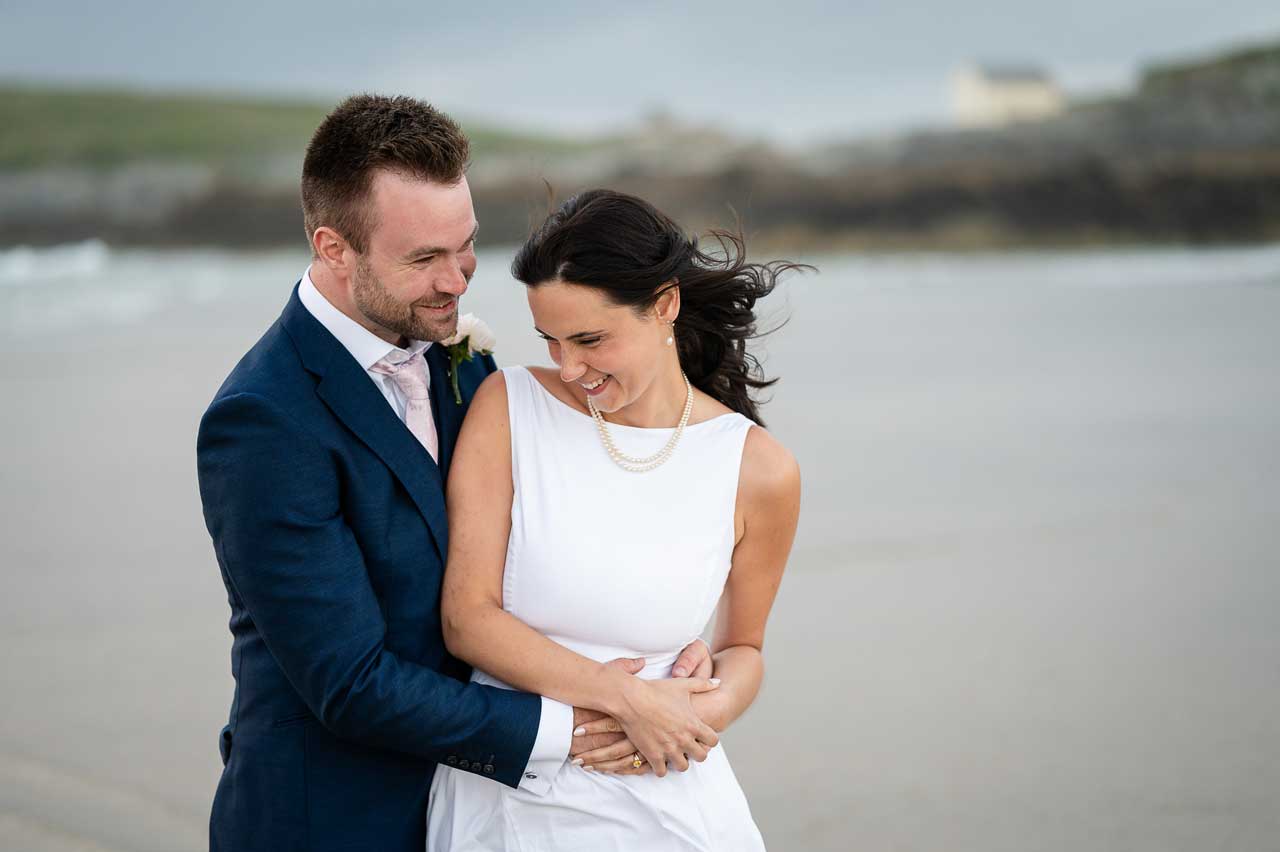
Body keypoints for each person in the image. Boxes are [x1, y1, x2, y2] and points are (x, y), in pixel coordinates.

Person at [195, 96, 713, 852]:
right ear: (334, 248)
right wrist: (584, 724)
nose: (457, 282)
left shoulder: (462, 360)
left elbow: (555, 525)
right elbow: (351, 683)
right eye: (423, 259)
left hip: (480, 813)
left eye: (464, 247)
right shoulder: (263, 421)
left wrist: (661, 641)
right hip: (336, 820)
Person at [427, 189, 803, 850]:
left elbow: (744, 648)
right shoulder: (508, 407)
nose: (569, 368)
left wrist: (696, 714)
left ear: (664, 306)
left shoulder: (759, 469)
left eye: (590, 339)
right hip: (515, 798)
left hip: (669, 792)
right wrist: (626, 700)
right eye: (550, 340)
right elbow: (467, 619)